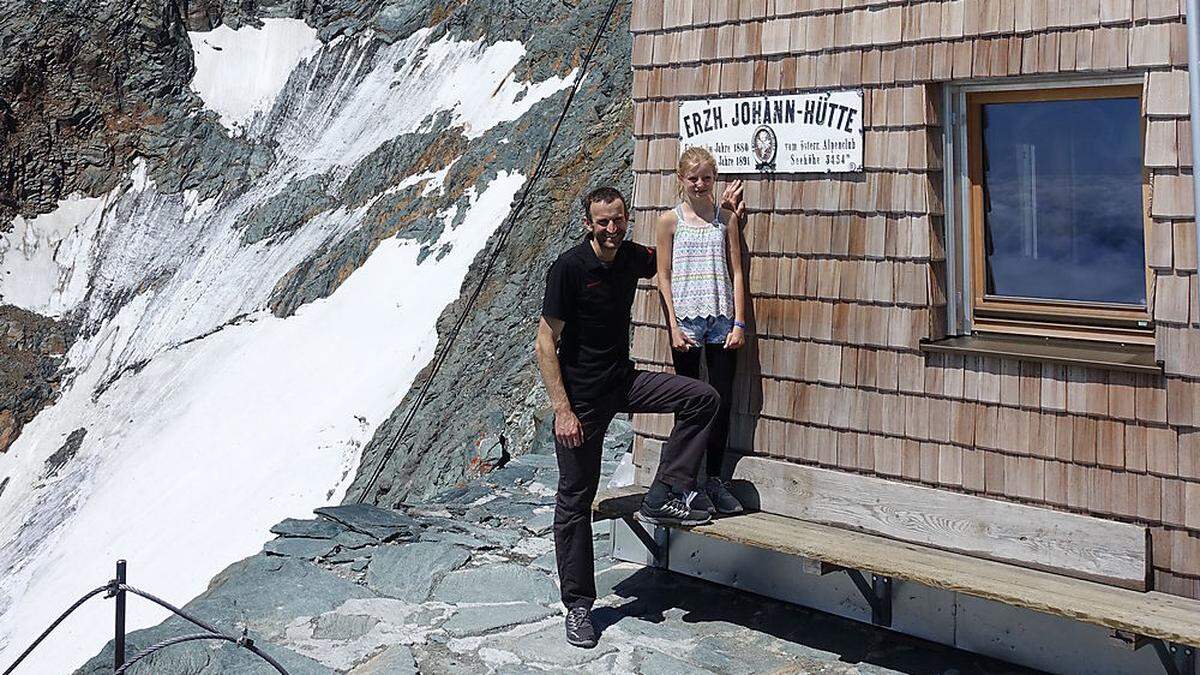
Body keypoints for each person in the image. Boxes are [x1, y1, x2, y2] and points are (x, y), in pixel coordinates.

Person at [535, 186, 720, 649]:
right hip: (582, 402)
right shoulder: (569, 269)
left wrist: (718, 215)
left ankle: (663, 490)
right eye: (603, 222)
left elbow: (672, 254)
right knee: (575, 500)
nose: (612, 229)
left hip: (623, 381)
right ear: (588, 223)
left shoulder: (630, 257)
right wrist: (563, 410)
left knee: (702, 398)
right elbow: (544, 342)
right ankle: (578, 607)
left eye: (618, 220)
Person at [655, 147, 748, 515]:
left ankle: (715, 479)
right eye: (693, 177)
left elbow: (737, 271)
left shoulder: (725, 219)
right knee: (690, 405)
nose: (699, 184)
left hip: (722, 319)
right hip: (688, 323)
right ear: (682, 179)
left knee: (722, 401)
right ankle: (685, 482)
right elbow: (663, 275)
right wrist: (673, 326)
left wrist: (739, 322)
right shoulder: (669, 221)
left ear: (715, 179)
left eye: (706, 177)